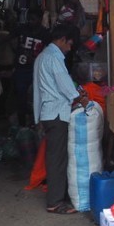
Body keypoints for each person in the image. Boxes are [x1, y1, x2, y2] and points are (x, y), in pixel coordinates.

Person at [33, 24, 86, 215]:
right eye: (69, 43)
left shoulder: (42, 57)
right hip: (56, 114)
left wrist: (37, 116)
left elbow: (38, 90)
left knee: (55, 156)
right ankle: (55, 202)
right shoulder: (54, 58)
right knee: (57, 159)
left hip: (48, 112)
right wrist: (81, 98)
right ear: (62, 39)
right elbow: (67, 87)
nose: (70, 48)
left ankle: (58, 197)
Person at [11, 9, 49, 126]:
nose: (30, 22)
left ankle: (35, 123)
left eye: (33, 19)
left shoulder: (45, 33)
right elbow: (9, 38)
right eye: (29, 19)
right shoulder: (22, 29)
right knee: (21, 97)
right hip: (21, 69)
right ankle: (22, 125)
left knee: (36, 97)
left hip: (36, 70)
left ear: (40, 19)